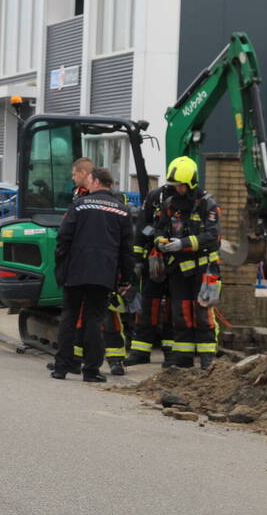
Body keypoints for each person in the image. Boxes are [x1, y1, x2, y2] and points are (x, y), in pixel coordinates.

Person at [50, 167, 134, 382]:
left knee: (69, 317)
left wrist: (62, 268)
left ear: (96, 182)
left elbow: (63, 238)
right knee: (94, 321)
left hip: (76, 271)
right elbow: (126, 250)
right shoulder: (122, 211)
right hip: (103, 274)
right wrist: (126, 279)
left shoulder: (79, 205)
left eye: (89, 180)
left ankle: (61, 367)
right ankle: (91, 371)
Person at [153, 156, 222, 369]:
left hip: (204, 268)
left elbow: (212, 237)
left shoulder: (208, 205)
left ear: (191, 183)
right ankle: (183, 359)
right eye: (174, 185)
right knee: (180, 312)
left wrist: (181, 244)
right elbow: (159, 228)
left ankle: (207, 358)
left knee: (202, 312)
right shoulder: (169, 205)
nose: (177, 189)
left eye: (181, 186)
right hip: (178, 269)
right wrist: (161, 242)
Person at [124, 182, 177, 367]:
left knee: (173, 309)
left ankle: (171, 353)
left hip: (177, 262)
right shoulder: (154, 196)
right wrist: (138, 259)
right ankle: (140, 351)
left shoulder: (192, 198)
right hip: (152, 260)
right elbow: (141, 227)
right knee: (147, 306)